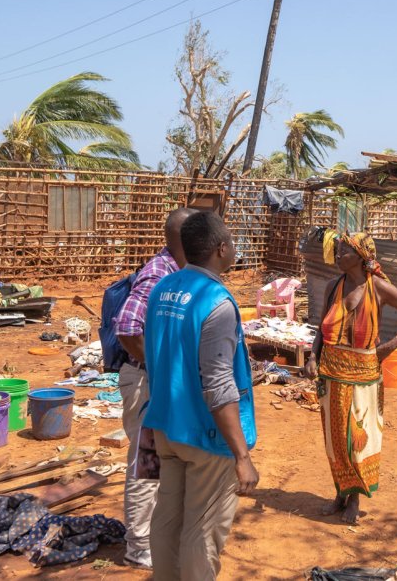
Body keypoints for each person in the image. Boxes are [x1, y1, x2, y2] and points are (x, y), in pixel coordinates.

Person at [142, 211, 259, 581]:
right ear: (222, 248)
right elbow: (219, 383)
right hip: (206, 436)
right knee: (202, 529)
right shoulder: (217, 302)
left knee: (168, 519)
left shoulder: (164, 288)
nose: (236, 247)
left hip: (166, 426)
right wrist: (241, 455)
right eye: (233, 241)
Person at [304, 232, 397, 525]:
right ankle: (340, 493)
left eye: (344, 250)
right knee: (335, 440)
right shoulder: (332, 286)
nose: (337, 254)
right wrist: (312, 356)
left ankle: (356, 498)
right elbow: (321, 329)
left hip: (364, 375)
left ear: (361, 256)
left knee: (358, 438)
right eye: (337, 249)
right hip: (332, 373)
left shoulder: (380, 288)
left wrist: (388, 346)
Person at [112, 208, 194, 569]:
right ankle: (139, 545)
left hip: (154, 380)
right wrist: (158, 367)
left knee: (160, 461)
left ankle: (152, 535)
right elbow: (128, 327)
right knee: (147, 463)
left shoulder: (176, 272)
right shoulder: (159, 274)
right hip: (146, 380)